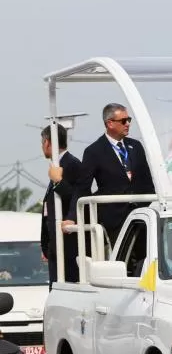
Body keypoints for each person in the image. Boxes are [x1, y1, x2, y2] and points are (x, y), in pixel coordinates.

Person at [64, 103, 155, 247]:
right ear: (110, 123)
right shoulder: (94, 151)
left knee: (145, 258)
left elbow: (147, 181)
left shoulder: (136, 146)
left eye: (129, 120)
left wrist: (150, 206)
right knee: (122, 262)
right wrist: (71, 217)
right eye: (124, 121)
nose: (128, 124)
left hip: (141, 216)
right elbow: (82, 187)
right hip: (114, 219)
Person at [39, 123, 81, 285]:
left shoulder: (72, 164)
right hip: (55, 245)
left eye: (42, 143)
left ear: (48, 142)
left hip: (68, 246)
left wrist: (59, 182)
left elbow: (77, 197)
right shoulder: (58, 165)